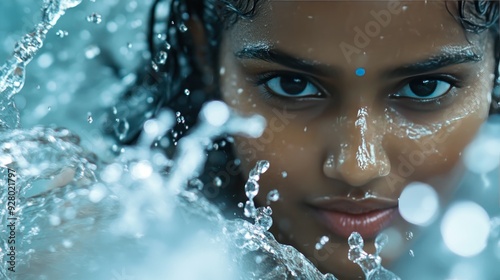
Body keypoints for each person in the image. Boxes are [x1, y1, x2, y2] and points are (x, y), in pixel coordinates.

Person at [107, 0, 500, 279]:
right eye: (292, 86)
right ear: (206, 55)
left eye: (425, 87)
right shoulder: (110, 238)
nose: (356, 168)